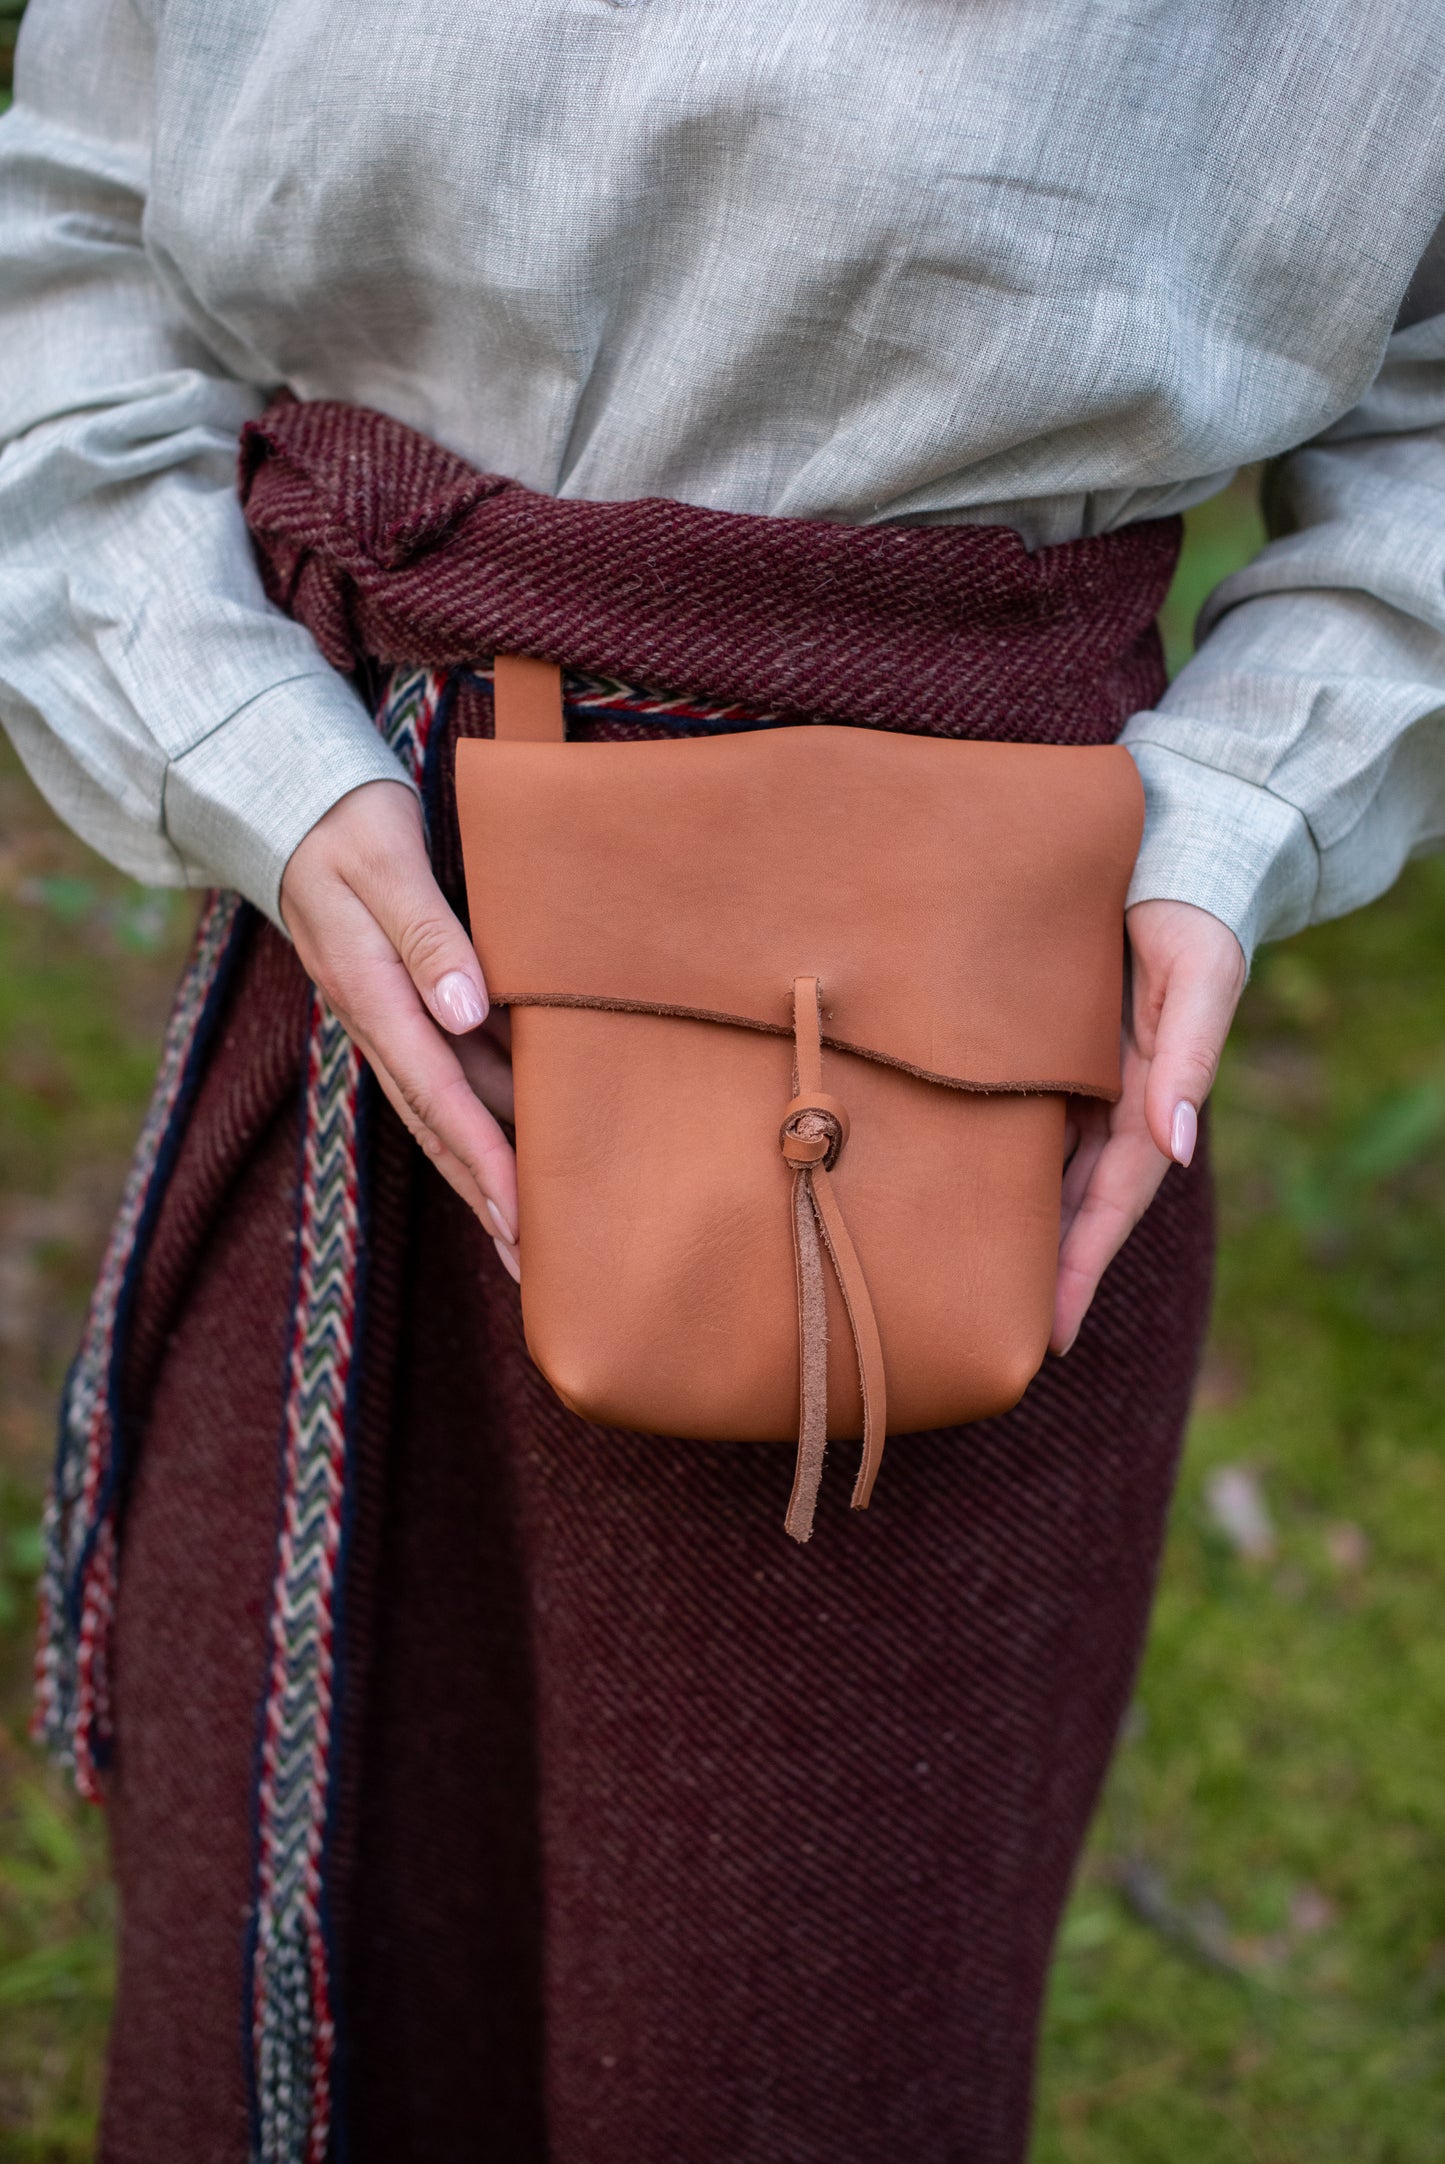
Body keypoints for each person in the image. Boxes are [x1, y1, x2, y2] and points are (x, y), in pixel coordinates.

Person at [2, 3, 1443, 2159]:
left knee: (792, 2042)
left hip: (960, 1066)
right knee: (332, 1940)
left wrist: (1240, 814)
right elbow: (79, 238)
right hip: (371, 956)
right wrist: (249, 760)